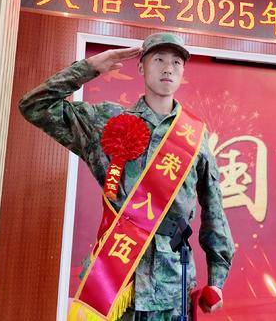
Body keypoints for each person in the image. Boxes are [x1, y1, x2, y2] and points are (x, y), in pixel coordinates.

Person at [19, 32, 234, 321]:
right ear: (141, 67)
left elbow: (214, 209)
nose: (168, 68)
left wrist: (217, 279)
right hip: (114, 281)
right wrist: (90, 67)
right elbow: (34, 106)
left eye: (176, 62)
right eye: (158, 59)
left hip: (172, 286)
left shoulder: (195, 136)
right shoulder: (107, 120)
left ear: (183, 72)